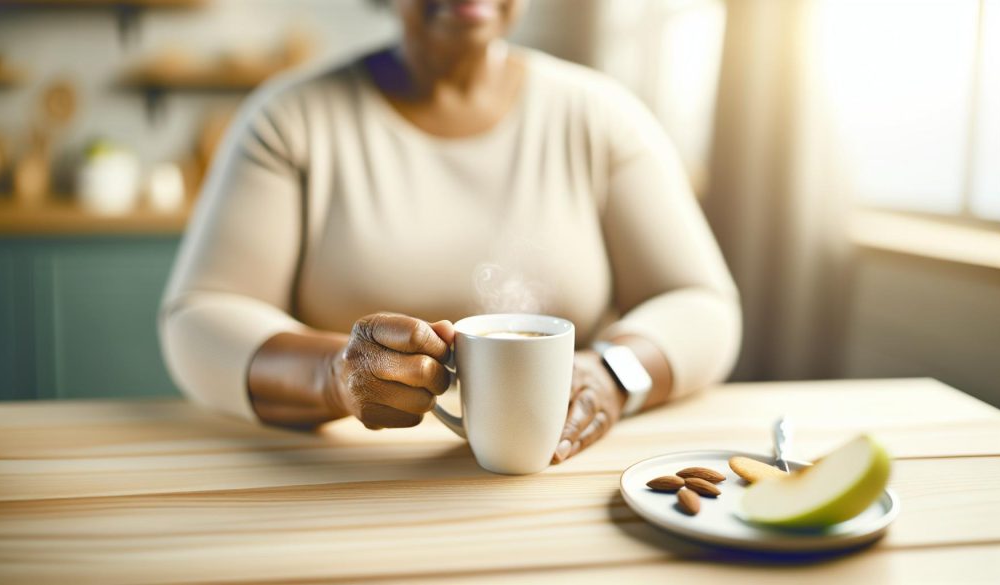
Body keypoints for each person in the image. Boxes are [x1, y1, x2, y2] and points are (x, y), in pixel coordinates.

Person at [159, 0, 740, 465]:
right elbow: (200, 317)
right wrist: (333, 375)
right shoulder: (289, 122)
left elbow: (702, 305)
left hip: (557, 481)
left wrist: (611, 374)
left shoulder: (602, 117)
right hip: (348, 483)